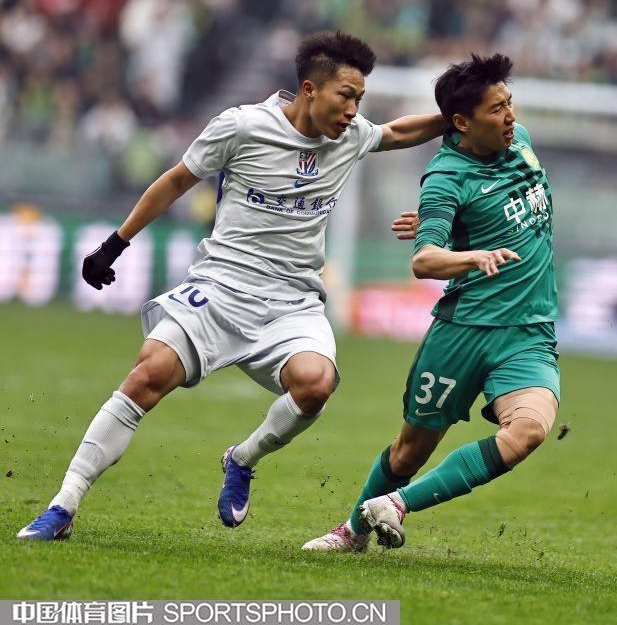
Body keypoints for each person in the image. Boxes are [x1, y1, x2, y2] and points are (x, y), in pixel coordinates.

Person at [17, 30, 449, 540]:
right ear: (310, 89)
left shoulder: (350, 136)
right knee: (148, 374)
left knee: (316, 384)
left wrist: (456, 115)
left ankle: (242, 459)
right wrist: (115, 243)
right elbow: (177, 180)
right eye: (346, 96)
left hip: (292, 302)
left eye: (360, 98)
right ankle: (63, 505)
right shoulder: (243, 125)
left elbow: (397, 132)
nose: (354, 110)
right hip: (221, 288)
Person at [303, 53, 559, 552]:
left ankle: (395, 506)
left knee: (528, 430)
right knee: (407, 454)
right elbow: (424, 261)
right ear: (461, 122)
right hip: (462, 334)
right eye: (496, 109)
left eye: (509, 103)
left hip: (528, 332)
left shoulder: (520, 141)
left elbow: (499, 211)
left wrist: (469, 228)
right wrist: (471, 255)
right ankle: (353, 533)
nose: (510, 116)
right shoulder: (445, 178)